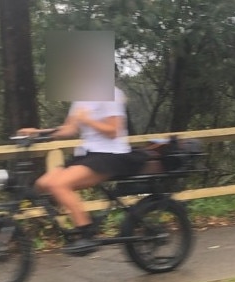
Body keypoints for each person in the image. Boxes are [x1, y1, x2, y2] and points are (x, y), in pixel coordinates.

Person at [18, 83, 146, 255]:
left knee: (59, 185)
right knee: (42, 184)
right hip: (88, 154)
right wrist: (38, 133)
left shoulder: (112, 94)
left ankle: (86, 233)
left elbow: (114, 131)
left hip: (112, 155)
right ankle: (79, 217)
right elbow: (69, 129)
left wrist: (88, 121)